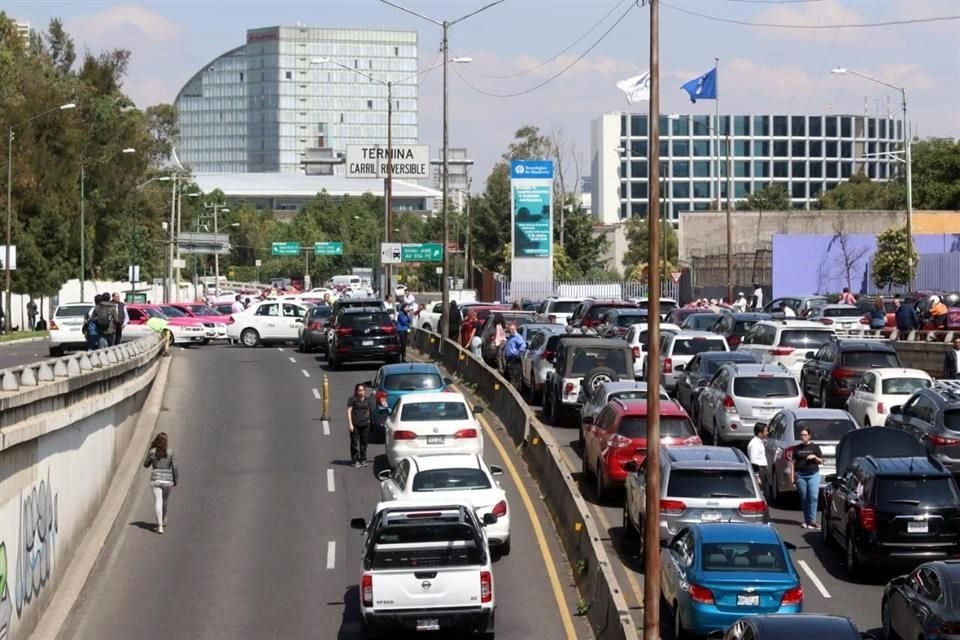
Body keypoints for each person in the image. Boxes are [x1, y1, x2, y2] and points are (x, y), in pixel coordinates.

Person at [143, 432, 177, 534]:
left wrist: (150, 450)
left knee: (158, 501)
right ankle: (163, 518)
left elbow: (146, 464)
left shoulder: (152, 452)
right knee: (165, 501)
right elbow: (174, 467)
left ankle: (160, 526)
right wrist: (176, 480)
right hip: (167, 480)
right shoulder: (171, 452)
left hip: (156, 479)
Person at [791, 427, 823, 529]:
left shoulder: (815, 447)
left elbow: (821, 461)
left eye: (805, 435)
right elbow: (793, 463)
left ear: (809, 436)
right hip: (801, 475)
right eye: (801, 435)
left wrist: (814, 457)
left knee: (813, 497)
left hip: (813, 474)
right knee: (804, 498)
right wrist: (792, 477)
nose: (803, 437)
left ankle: (812, 521)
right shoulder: (797, 448)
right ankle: (807, 520)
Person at [346, 383, 376, 468]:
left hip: (365, 424)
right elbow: (349, 411)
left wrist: (370, 421)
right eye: (359, 390)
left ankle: (363, 459)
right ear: (356, 391)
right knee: (354, 443)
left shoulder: (367, 400)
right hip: (355, 424)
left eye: (363, 390)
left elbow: (369, 411)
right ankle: (355, 460)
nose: (361, 392)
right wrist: (350, 424)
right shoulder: (352, 400)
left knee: (364, 443)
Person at [502, 322, 526, 387]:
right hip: (509, 359)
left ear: (516, 329)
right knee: (507, 375)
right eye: (510, 329)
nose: (511, 331)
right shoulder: (511, 337)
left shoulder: (517, 337)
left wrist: (517, 353)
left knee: (513, 374)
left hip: (514, 359)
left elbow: (523, 346)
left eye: (513, 329)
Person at [747, 423, 768, 488]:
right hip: (759, 470)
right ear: (760, 433)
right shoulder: (754, 444)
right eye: (766, 431)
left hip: (763, 469)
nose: (767, 432)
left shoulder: (760, 442)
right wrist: (757, 476)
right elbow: (753, 461)